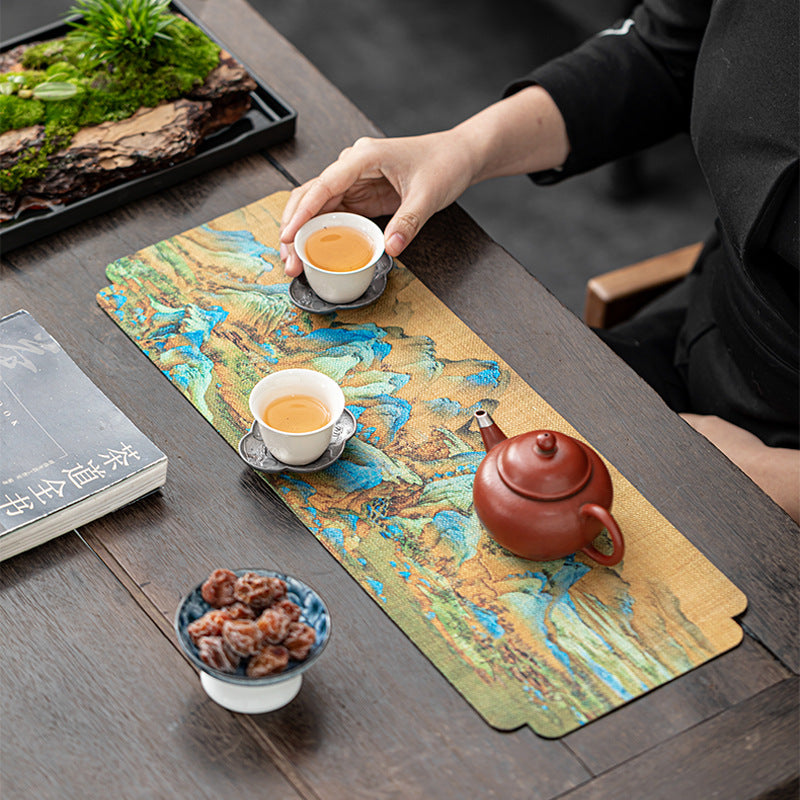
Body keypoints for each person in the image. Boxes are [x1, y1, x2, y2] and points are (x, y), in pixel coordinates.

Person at [279, 0, 799, 522]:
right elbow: (667, 50)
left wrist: (771, 471)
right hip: (718, 319)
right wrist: (461, 148)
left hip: (780, 462)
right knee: (429, 443)